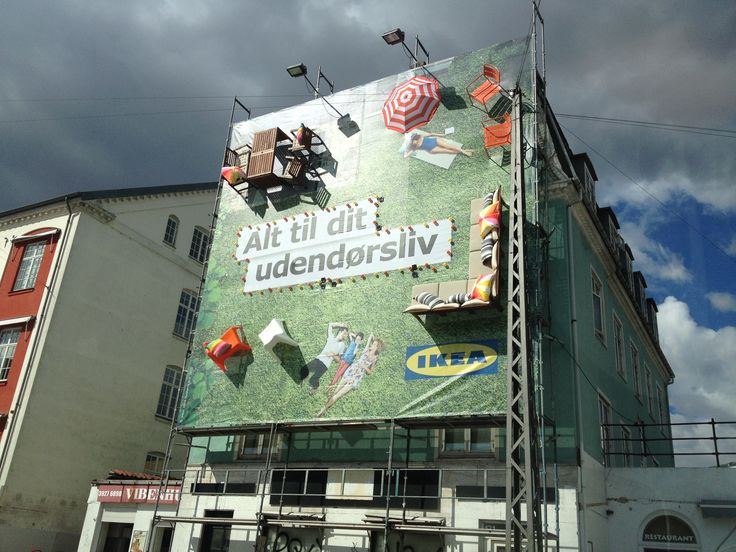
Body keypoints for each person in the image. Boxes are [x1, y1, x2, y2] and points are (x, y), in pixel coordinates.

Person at [317, 335, 385, 417]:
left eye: (374, 345)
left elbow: (370, 372)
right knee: (336, 391)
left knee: (339, 394)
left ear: (377, 348)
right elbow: (370, 338)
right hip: (350, 371)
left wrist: (365, 367)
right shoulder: (367, 349)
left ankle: (322, 409)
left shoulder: (375, 359)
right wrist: (373, 339)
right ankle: (326, 408)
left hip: (356, 378)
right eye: (372, 344)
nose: (372, 345)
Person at [301, 323, 349, 394]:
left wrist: (332, 355)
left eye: (346, 335)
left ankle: (315, 387)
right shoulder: (331, 337)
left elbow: (338, 360)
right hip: (318, 359)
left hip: (325, 365)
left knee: (312, 380)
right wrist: (340, 325)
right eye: (344, 333)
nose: (345, 336)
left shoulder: (342, 345)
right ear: (340, 331)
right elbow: (330, 325)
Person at [404, 132, 473, 158]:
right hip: (431, 149)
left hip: (435, 141)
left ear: (413, 139)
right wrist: (406, 155)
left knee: (449, 146)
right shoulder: (415, 147)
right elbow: (411, 151)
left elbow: (431, 134)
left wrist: (441, 135)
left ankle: (464, 152)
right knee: (447, 150)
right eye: (410, 142)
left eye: (411, 141)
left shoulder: (421, 135)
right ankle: (464, 151)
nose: (411, 142)